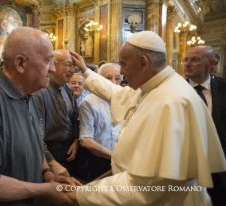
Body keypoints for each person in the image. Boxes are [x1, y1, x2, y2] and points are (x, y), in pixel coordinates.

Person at [68, 31, 226, 205]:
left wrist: (80, 194)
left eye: (123, 64)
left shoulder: (172, 102)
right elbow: (117, 93)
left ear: (143, 63)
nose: (121, 71)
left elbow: (146, 186)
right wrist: (85, 71)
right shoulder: (154, 86)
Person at [0, 27, 80, 206]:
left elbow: (35, 142)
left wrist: (47, 173)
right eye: (49, 61)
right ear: (21, 63)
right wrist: (45, 189)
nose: (53, 68)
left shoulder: (28, 94)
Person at [184, 46, 226, 206]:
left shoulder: (224, 88)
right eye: (186, 59)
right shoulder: (175, 91)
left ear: (211, 64)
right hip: (187, 170)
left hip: (220, 170)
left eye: (194, 60)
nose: (187, 64)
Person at [33, 49, 79, 177]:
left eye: (73, 66)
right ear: (52, 65)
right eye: (68, 65)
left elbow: (75, 116)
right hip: (50, 152)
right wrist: (50, 162)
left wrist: (76, 140)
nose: (73, 70)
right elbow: (36, 132)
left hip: (70, 149)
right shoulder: (40, 92)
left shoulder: (67, 88)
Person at [79, 63, 122, 181]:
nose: (113, 82)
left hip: (124, 161)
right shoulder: (88, 103)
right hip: (99, 161)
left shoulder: (126, 99)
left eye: (117, 78)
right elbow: (86, 141)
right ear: (98, 80)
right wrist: (114, 156)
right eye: (108, 78)